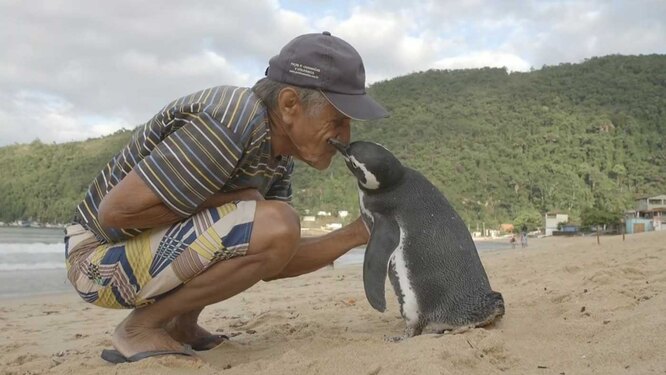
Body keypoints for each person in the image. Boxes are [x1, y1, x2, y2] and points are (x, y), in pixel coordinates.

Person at [64, 31, 389, 363]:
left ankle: (181, 325)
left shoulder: (277, 155)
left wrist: (359, 232)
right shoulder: (230, 119)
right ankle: (140, 328)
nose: (345, 137)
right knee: (272, 218)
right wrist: (234, 201)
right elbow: (115, 214)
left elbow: (275, 256)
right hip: (95, 261)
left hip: (132, 254)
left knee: (274, 222)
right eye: (337, 120)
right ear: (290, 104)